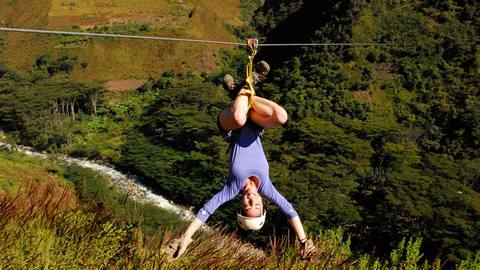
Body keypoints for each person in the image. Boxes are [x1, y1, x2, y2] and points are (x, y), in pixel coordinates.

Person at [162, 61, 315, 260]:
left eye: (247, 206)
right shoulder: (267, 187)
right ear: (262, 205)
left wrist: (185, 238)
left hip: (230, 125)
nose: (252, 200)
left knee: (239, 117)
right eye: (257, 206)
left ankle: (242, 90)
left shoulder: (231, 188)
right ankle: (244, 89)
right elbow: (290, 211)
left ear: (241, 205)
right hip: (255, 123)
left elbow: (206, 210)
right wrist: (303, 241)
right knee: (282, 117)